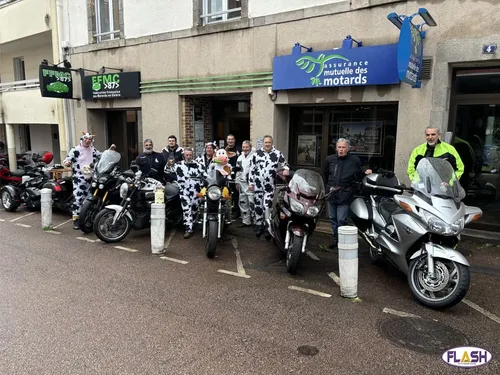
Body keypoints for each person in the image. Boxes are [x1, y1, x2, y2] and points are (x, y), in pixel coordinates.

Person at [323, 138, 372, 249]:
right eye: (339, 147)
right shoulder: (330, 159)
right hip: (331, 193)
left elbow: (359, 173)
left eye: (343, 147)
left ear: (348, 148)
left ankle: (342, 241)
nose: (341, 150)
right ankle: (336, 239)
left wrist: (366, 172)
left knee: (341, 219)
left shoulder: (354, 160)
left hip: (345, 193)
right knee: (332, 218)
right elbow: (325, 175)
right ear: (336, 148)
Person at [249, 135, 289, 237]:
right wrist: (251, 183)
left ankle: (268, 227)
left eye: (269, 142)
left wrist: (286, 169)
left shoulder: (277, 153)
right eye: (266, 142)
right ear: (263, 143)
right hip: (258, 185)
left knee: (267, 206)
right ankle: (259, 225)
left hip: (270, 186)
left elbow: (285, 164)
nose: (267, 144)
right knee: (258, 206)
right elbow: (252, 169)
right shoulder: (257, 154)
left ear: (272, 143)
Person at [63, 132, 102, 230]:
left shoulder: (92, 149)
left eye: (90, 139)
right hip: (79, 178)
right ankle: (76, 219)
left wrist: (110, 152)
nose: (88, 141)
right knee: (78, 198)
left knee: (89, 199)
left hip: (90, 178)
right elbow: (67, 160)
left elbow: (101, 156)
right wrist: (67, 163)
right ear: (82, 139)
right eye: (86, 139)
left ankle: (86, 218)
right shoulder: (76, 150)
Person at [174, 148, 206, 239]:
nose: (188, 157)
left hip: (196, 191)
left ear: (192, 155)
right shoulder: (178, 165)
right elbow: (167, 170)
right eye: (186, 155)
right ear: (184, 155)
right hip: (184, 191)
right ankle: (188, 229)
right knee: (186, 210)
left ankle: (193, 224)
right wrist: (169, 164)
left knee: (194, 209)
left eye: (190, 155)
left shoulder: (198, 165)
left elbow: (205, 176)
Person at [235, 140, 255, 228]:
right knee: (243, 202)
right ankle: (246, 221)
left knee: (252, 202)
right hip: (242, 184)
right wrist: (237, 182)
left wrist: (253, 183)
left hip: (251, 184)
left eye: (247, 147)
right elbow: (238, 171)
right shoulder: (240, 158)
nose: (245, 149)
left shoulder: (255, 156)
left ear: (250, 147)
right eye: (244, 147)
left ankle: (256, 221)